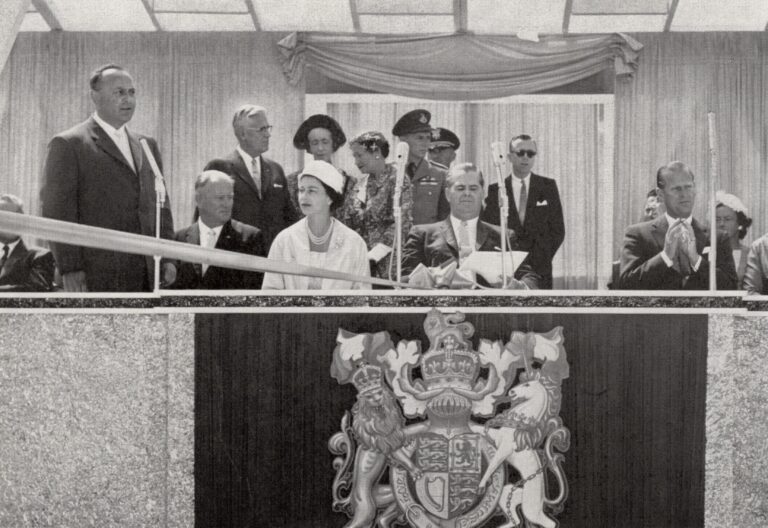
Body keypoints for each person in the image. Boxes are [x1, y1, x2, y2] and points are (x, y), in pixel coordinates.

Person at [40, 64, 176, 292]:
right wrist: (69, 266)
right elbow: (56, 211)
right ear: (95, 96)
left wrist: (170, 255)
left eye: (132, 92)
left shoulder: (146, 144)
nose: (128, 99)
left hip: (146, 271)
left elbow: (161, 205)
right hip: (96, 273)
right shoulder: (69, 144)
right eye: (119, 92)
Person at [402, 163, 540, 289]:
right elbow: (404, 279)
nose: (467, 193)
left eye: (473, 188)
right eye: (460, 188)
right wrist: (431, 277)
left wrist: (517, 286)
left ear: (482, 193)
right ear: (448, 194)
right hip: (439, 311)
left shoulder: (503, 236)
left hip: (489, 312)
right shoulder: (422, 234)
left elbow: (529, 278)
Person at [617, 161, 737, 290]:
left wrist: (696, 260)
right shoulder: (637, 234)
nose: (684, 194)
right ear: (661, 195)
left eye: (688, 187)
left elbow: (730, 288)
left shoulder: (717, 238)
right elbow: (626, 285)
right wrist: (665, 256)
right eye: (676, 189)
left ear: (695, 189)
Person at [262, 160, 371, 290]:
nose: (303, 197)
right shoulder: (285, 240)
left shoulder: (354, 243)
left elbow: (362, 297)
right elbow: (270, 291)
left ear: (330, 197)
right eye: (301, 190)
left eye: (312, 191)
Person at [204, 104, 297, 250]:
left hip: (272, 261)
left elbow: (290, 220)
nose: (267, 134)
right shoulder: (220, 168)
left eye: (268, 128)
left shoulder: (276, 170)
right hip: (235, 261)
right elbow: (206, 220)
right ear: (242, 134)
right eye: (261, 129)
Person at [481, 134, 564, 289]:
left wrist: (541, 258)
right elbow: (490, 229)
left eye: (531, 153)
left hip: (540, 268)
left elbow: (558, 230)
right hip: (508, 270)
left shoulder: (547, 186)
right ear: (509, 157)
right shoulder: (496, 189)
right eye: (520, 153)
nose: (526, 157)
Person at [337, 131, 413, 281]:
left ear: (376, 152)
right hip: (359, 266)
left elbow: (402, 222)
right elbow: (348, 223)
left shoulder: (397, 178)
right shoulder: (359, 185)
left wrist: (375, 255)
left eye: (359, 155)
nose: (356, 161)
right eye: (354, 156)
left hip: (389, 268)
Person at [171, 171, 265, 290]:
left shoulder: (249, 238)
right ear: (199, 200)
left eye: (230, 197)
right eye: (220, 198)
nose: (227, 204)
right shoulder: (179, 239)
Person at [286, 114, 352, 214]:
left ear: (333, 144)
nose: (320, 148)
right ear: (309, 146)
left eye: (325, 142)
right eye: (315, 143)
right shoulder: (293, 181)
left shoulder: (347, 182)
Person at [392, 109, 449, 225]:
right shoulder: (389, 172)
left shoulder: (440, 174)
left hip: (427, 240)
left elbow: (445, 217)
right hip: (395, 239)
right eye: (419, 138)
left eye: (428, 138)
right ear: (403, 140)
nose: (425, 143)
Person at [0, 194, 55, 292]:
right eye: (6, 216)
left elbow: (36, 290)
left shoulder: (40, 255)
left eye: (17, 216)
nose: (14, 221)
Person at [715, 191, 752, 287]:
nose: (721, 224)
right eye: (717, 220)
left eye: (727, 219)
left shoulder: (751, 254)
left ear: (739, 224)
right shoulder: (709, 252)